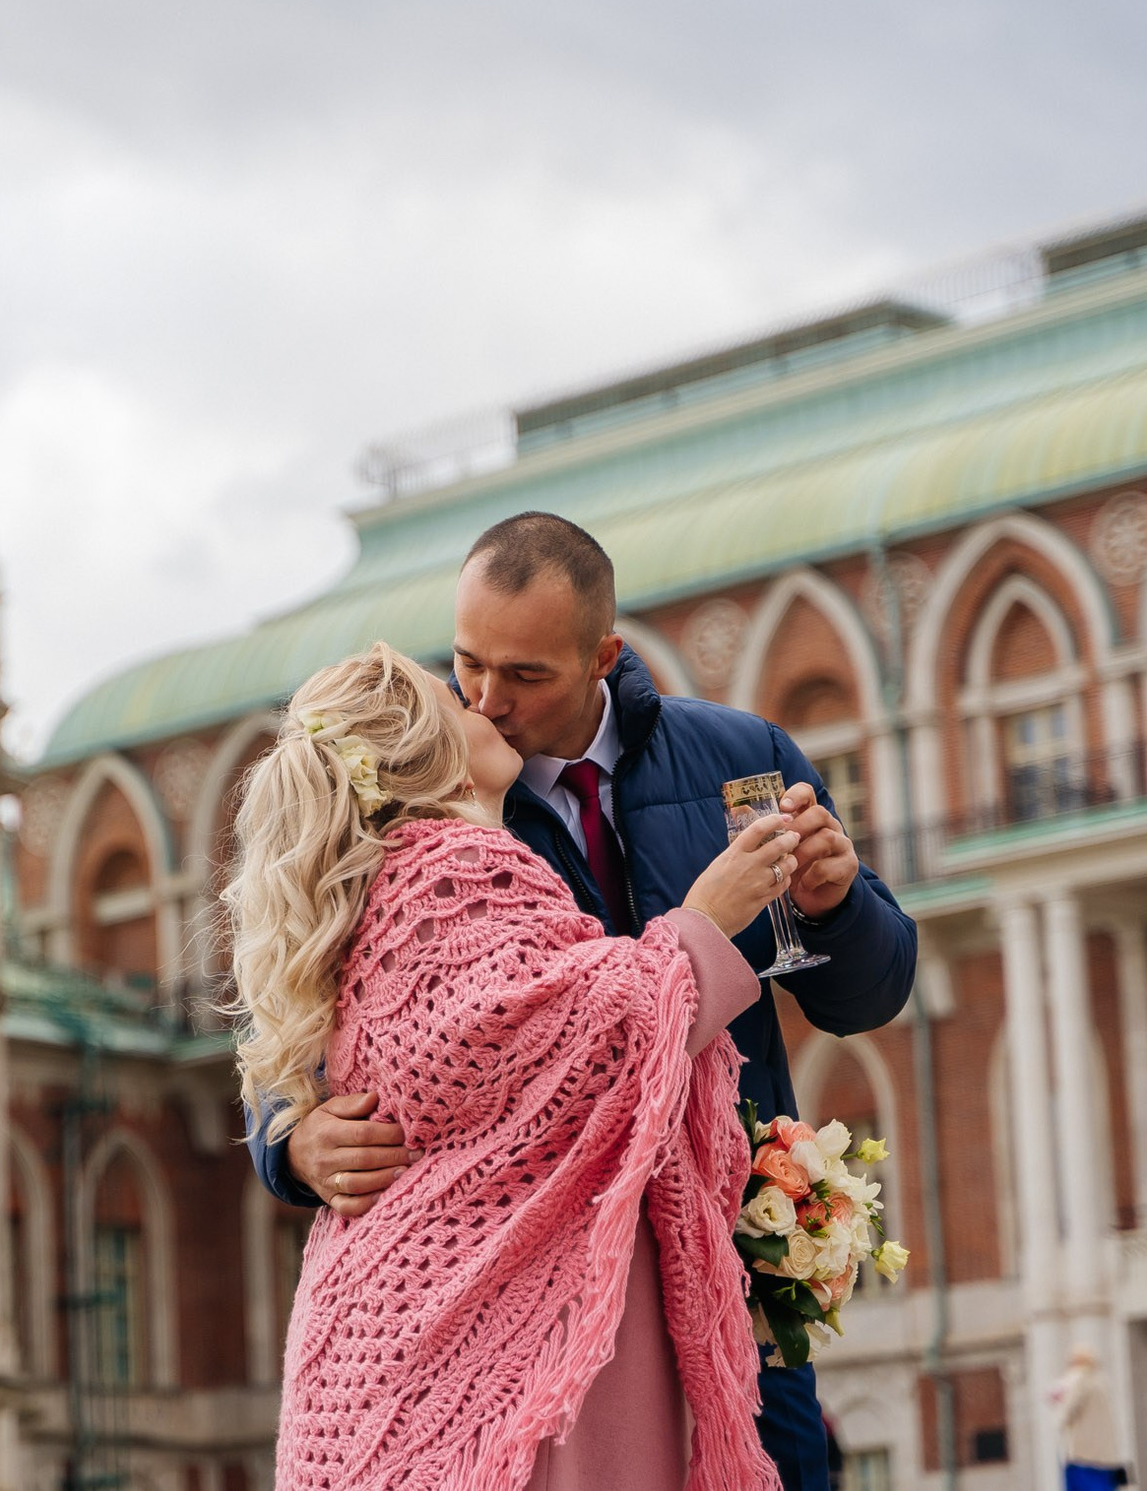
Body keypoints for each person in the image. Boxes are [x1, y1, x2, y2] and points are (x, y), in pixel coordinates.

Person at [248, 511, 920, 1491]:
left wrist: (836, 903)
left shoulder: (739, 757)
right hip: (539, 1286)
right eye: (467, 664)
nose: (487, 700)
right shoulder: (431, 790)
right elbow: (317, 1002)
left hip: (727, 1261)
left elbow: (871, 993)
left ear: (603, 655)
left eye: (525, 674)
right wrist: (289, 1140)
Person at [227, 642, 793, 1489]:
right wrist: (707, 919)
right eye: (455, 700)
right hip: (517, 1351)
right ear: (431, 759)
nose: (483, 704)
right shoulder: (452, 881)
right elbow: (587, 1038)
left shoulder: (389, 894)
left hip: (438, 1338)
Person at [1045, 1346, 1126, 1491]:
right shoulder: (1101, 1382)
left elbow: (1066, 1413)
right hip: (1108, 1458)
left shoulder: (1078, 1379)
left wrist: (1058, 1406)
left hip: (1083, 1456)